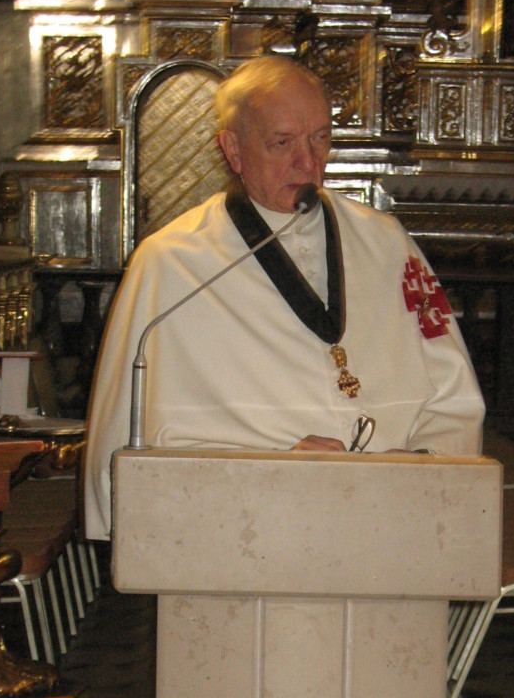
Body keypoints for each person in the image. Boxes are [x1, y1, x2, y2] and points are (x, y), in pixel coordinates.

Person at [83, 55, 485, 541]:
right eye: (282, 142)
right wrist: (276, 473)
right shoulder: (170, 263)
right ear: (233, 150)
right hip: (244, 533)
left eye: (320, 138)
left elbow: (453, 393)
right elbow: (129, 447)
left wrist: (419, 463)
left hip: (391, 520)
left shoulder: (387, 243)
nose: (308, 162)